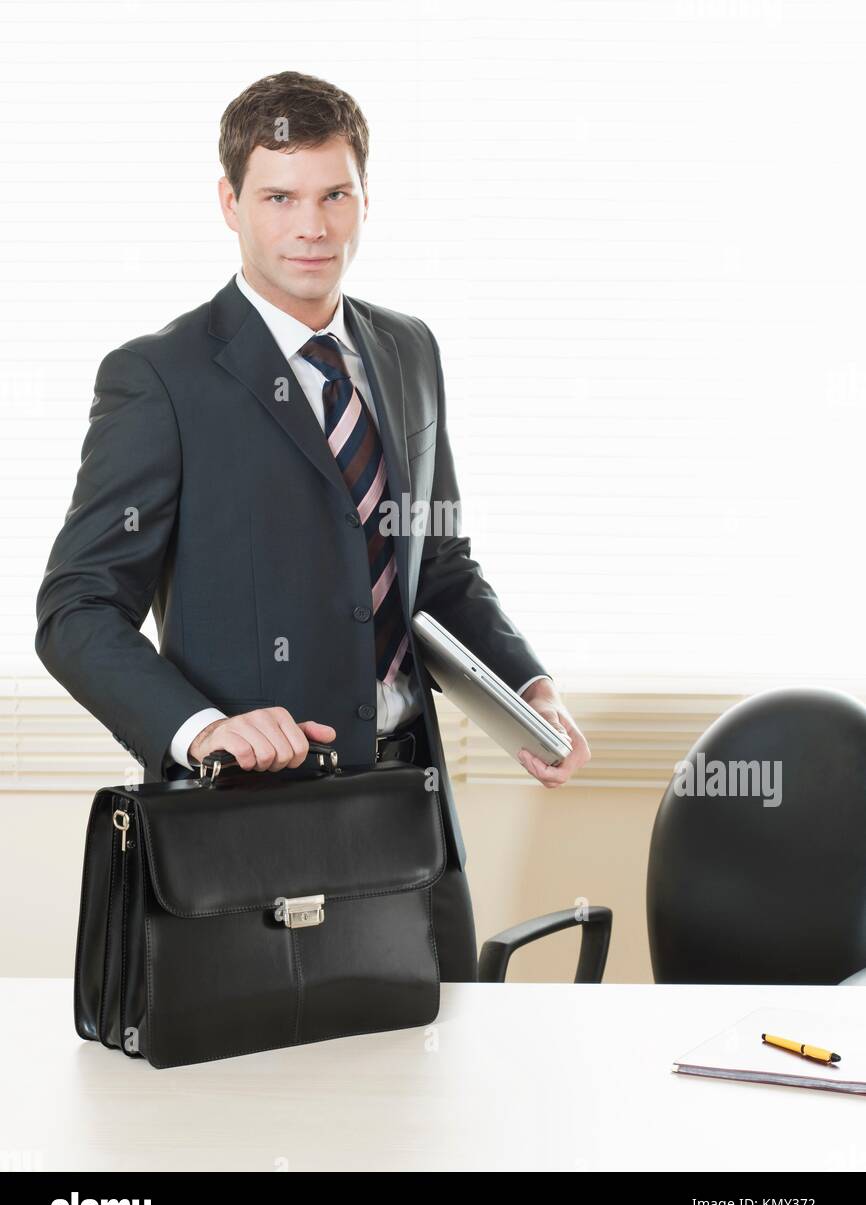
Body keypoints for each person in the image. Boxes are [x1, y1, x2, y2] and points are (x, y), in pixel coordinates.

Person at [35, 69, 591, 980]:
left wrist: (524, 685)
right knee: (266, 1110)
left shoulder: (409, 349)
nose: (312, 226)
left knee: (432, 1083)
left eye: (336, 194)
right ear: (230, 202)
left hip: (410, 808)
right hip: (250, 824)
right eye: (280, 197)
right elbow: (77, 609)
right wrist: (202, 727)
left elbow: (437, 562)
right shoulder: (160, 378)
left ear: (366, 197)